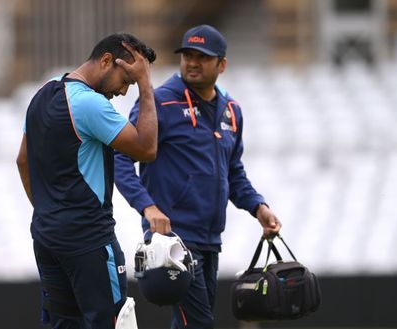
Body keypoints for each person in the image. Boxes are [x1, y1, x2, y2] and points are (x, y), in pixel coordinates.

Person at [114, 25, 282, 329]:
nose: (192, 62)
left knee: (190, 323)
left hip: (209, 238)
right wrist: (147, 207)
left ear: (222, 64)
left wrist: (258, 207)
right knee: (200, 323)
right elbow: (121, 158)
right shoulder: (159, 102)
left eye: (202, 57)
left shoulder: (232, 111)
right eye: (187, 55)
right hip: (172, 240)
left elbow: (233, 171)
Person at [16, 33, 157, 329]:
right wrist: (145, 83)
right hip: (89, 241)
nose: (123, 91)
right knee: (113, 323)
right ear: (106, 61)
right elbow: (146, 148)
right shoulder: (89, 104)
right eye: (125, 80)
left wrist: (48, 211)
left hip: (46, 236)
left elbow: (23, 161)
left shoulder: (41, 94)